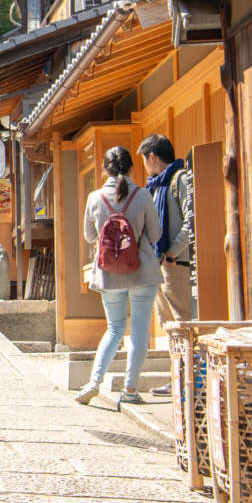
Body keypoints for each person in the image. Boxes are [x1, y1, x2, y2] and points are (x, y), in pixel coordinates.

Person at [74, 146, 162, 406]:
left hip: (109, 274)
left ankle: (93, 382)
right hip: (142, 271)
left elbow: (89, 237)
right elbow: (155, 236)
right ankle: (131, 389)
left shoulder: (95, 197)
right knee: (138, 333)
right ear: (132, 168)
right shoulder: (143, 195)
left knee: (114, 329)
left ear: (104, 170)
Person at [138, 133, 194, 397]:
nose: (145, 167)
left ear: (152, 157)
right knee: (168, 324)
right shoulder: (154, 186)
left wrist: (173, 252)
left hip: (175, 263)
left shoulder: (179, 179)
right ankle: (177, 378)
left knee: (182, 323)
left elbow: (191, 221)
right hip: (157, 263)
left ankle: (189, 380)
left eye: (145, 160)